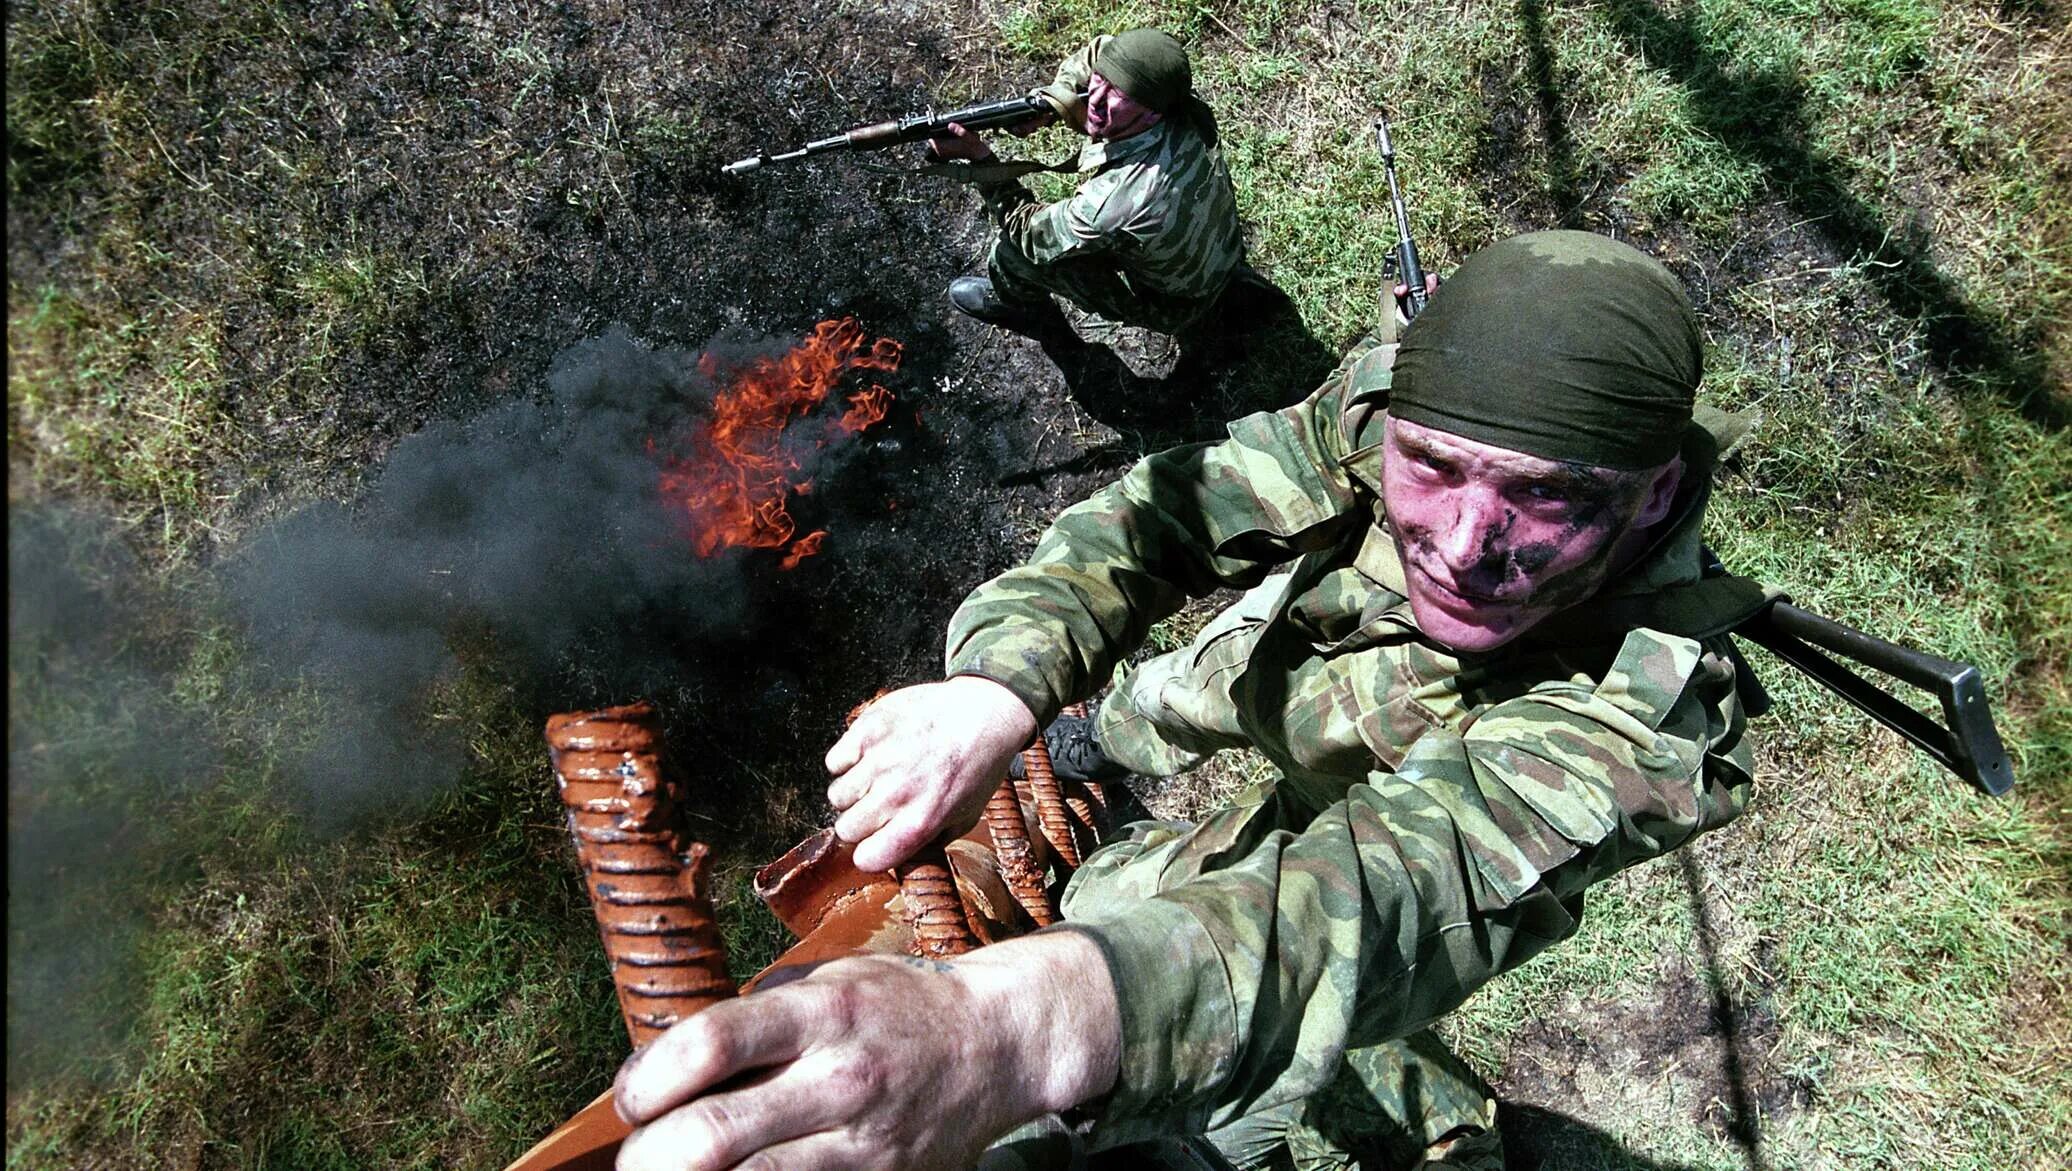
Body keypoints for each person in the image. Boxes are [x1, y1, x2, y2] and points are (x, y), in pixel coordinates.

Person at [610, 231, 1776, 1170]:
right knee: (1128, 817)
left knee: (1244, 991)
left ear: (1657, 486)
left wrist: (1002, 1033)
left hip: (1407, 802)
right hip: (1283, 673)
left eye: (1548, 499)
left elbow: (1374, 897)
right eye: (1431, 469)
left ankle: (1431, 1129)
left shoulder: (1645, 709)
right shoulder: (1396, 407)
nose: (1467, 543)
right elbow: (1165, 512)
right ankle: (1097, 755)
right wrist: (995, 684)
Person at [930, 29, 1248, 338]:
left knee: (1010, 254)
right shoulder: (1180, 103)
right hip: (1224, 248)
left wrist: (980, 158)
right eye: (1100, 79)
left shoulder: (1117, 200)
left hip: (1177, 303)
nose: (1095, 98)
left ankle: (1018, 305)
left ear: (1152, 114)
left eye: (1117, 95)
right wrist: (1057, 101)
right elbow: (1100, 50)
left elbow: (1032, 236)